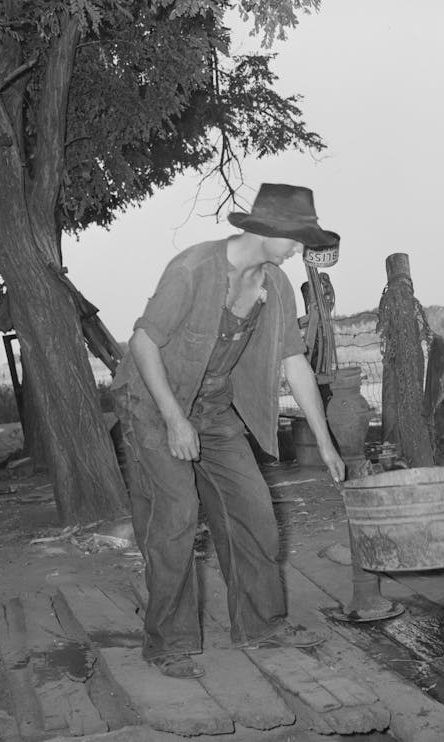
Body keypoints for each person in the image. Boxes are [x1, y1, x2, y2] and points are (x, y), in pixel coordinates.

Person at [111, 183, 346, 679]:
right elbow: (143, 342)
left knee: (255, 510)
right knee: (177, 516)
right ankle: (167, 644)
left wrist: (325, 443)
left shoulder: (276, 285)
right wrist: (175, 418)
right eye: (297, 239)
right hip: (155, 404)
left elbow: (294, 361)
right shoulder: (193, 269)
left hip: (214, 409)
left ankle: (261, 627)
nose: (300, 249)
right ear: (268, 230)